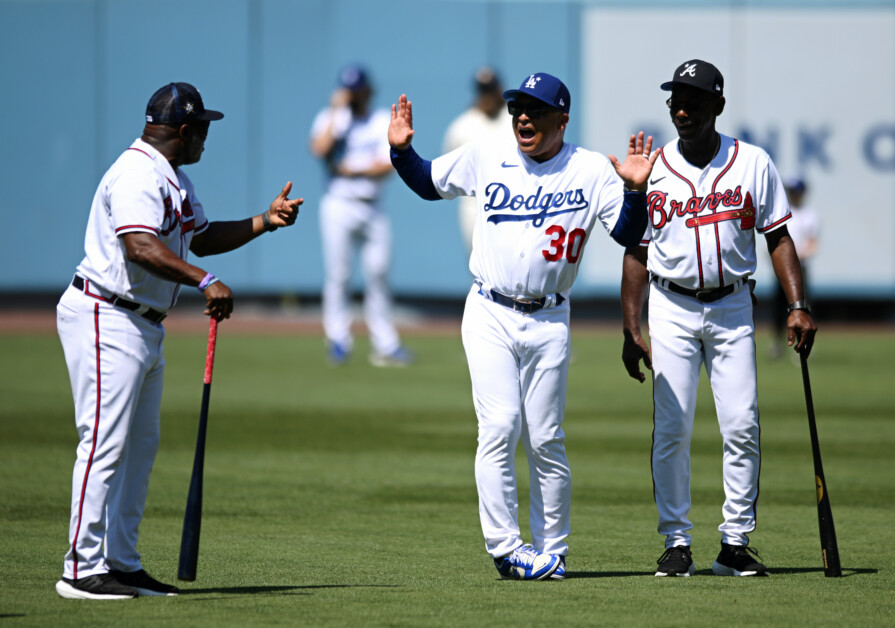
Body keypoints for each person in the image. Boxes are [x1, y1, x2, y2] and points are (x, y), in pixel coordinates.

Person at [388, 73, 656, 580]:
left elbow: (627, 232)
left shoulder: (590, 168)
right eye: (517, 108)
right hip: (489, 310)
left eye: (535, 109)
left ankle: (552, 551)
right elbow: (429, 183)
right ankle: (508, 548)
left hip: (551, 317)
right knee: (500, 426)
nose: (523, 117)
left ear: (562, 118)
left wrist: (636, 191)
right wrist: (403, 152)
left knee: (547, 437)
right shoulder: (488, 152)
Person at [55, 82, 302, 600]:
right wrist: (205, 280)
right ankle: (80, 568)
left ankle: (120, 562)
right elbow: (139, 245)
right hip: (106, 313)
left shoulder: (175, 178)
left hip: (142, 323)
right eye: (204, 129)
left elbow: (199, 236)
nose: (207, 139)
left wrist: (264, 221)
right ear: (185, 131)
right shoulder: (136, 173)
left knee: (139, 448)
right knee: (102, 443)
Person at [620, 60, 817, 577]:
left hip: (732, 305)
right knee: (672, 428)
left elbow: (777, 237)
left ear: (718, 106)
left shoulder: (752, 162)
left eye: (694, 101)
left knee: (742, 424)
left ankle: (734, 542)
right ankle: (676, 541)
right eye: (675, 101)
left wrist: (797, 305)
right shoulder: (654, 167)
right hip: (671, 304)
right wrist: (630, 326)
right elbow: (637, 252)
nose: (681, 110)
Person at [309, 65, 411, 367]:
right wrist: (334, 112)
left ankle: (386, 342)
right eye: (348, 90)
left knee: (378, 273)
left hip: (372, 204)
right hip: (338, 203)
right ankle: (338, 340)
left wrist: (352, 170)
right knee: (338, 274)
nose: (352, 96)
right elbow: (319, 148)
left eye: (356, 90)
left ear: (367, 90)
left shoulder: (380, 120)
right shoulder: (332, 119)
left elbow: (388, 165)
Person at [442, 67, 514, 253]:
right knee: (479, 264)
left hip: (516, 200)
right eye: (483, 91)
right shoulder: (462, 126)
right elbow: (448, 168)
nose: (487, 96)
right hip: (475, 204)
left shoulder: (515, 118)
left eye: (490, 90)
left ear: (499, 90)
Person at [771, 177, 820, 358]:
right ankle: (777, 343)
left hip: (801, 268)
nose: (793, 195)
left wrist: (797, 255)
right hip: (783, 268)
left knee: (802, 306)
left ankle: (804, 343)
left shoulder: (809, 215)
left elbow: (813, 244)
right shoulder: (784, 211)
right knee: (778, 307)